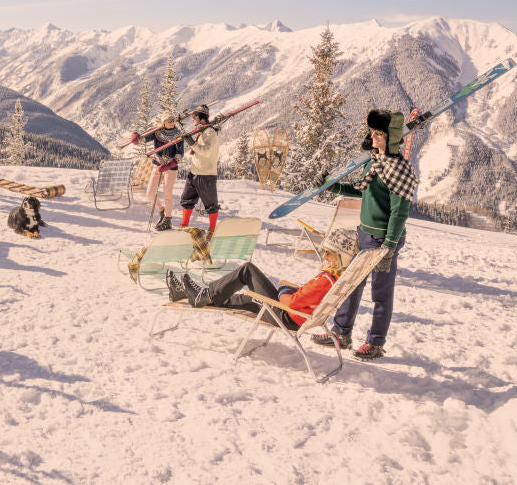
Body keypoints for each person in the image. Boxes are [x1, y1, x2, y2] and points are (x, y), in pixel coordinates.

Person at [311, 109, 417, 360]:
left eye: (379, 133)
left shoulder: (400, 170)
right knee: (350, 285)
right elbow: (361, 190)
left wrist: (389, 246)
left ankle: (376, 343)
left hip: (383, 240)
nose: (374, 136)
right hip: (365, 234)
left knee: (381, 293)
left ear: (390, 137)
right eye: (373, 132)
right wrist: (331, 185)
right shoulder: (373, 162)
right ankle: (341, 333)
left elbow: (399, 213)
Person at [167, 228, 360, 330]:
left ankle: (204, 294)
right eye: (324, 252)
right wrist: (290, 293)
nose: (324, 256)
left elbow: (292, 303)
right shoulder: (335, 279)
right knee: (247, 298)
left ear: (342, 257)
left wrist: (284, 291)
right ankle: (185, 294)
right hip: (292, 315)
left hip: (285, 316)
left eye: (330, 254)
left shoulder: (325, 281)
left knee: (247, 270)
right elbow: (303, 298)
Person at [130, 113, 184, 230]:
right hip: (157, 166)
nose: (172, 122)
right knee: (150, 193)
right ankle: (161, 211)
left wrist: (170, 164)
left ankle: (168, 219)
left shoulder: (178, 134)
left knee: (167, 195)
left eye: (173, 120)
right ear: (163, 121)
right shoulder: (157, 132)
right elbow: (144, 138)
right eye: (169, 120)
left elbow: (180, 154)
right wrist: (137, 138)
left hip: (171, 169)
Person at [177, 104, 221, 237]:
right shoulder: (203, 131)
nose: (193, 120)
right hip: (195, 172)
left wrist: (192, 143)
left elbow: (206, 152)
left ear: (202, 118)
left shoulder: (210, 133)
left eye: (194, 117)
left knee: (211, 204)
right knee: (187, 199)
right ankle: (184, 226)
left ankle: (212, 230)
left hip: (206, 174)